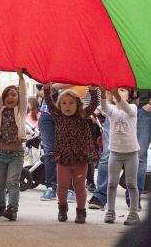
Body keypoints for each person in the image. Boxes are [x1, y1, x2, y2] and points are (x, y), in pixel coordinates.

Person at [43, 83, 99, 224]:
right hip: (64, 160)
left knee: (80, 187)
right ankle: (62, 208)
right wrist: (46, 89)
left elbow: (93, 103)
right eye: (64, 103)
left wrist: (92, 90)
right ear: (59, 106)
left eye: (71, 103)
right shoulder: (58, 116)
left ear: (78, 104)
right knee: (62, 187)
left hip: (80, 159)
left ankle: (81, 211)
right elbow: (49, 103)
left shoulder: (82, 114)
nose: (67, 106)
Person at [0, 69, 27, 221]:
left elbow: (25, 96)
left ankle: (12, 208)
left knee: (12, 183)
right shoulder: (1, 110)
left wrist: (21, 78)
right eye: (7, 95)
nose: (10, 98)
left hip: (17, 155)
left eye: (14, 95)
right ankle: (1, 204)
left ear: (18, 99)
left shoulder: (21, 111)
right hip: (1, 154)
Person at [101, 86, 140, 225]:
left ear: (129, 97)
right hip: (115, 153)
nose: (119, 92)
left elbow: (126, 108)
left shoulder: (132, 109)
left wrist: (115, 94)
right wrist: (102, 92)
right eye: (118, 90)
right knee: (112, 183)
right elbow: (104, 107)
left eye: (123, 90)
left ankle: (134, 213)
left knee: (131, 184)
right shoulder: (112, 110)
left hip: (131, 153)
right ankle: (110, 211)